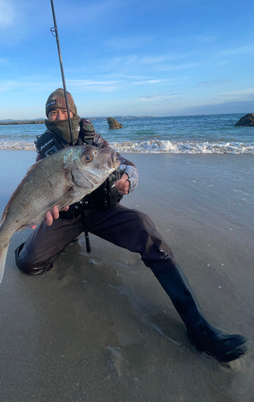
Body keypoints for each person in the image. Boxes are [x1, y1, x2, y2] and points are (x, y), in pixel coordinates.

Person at [15, 88, 248, 363]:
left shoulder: (94, 140)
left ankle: (199, 327)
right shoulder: (46, 152)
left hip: (101, 211)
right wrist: (42, 214)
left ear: (74, 114)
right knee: (29, 264)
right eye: (52, 113)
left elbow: (126, 165)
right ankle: (43, 244)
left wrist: (128, 181)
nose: (58, 116)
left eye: (64, 111)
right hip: (66, 218)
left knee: (145, 229)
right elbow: (40, 189)